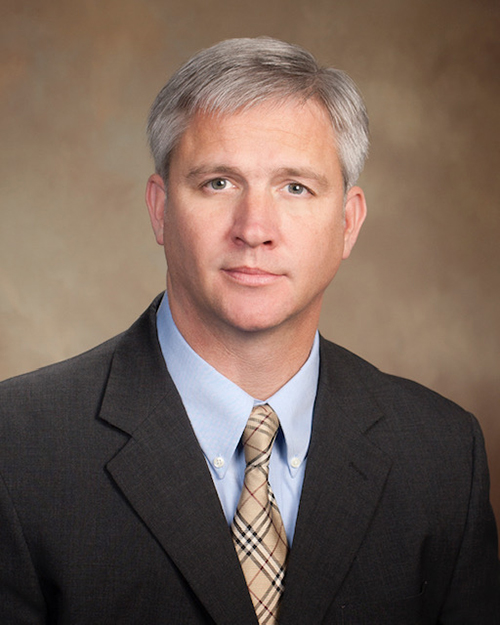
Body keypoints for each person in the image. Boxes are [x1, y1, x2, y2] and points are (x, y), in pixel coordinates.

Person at [0, 37, 498, 625]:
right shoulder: (19, 446)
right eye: (218, 183)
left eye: (295, 187)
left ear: (348, 222)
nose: (255, 229)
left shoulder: (442, 454)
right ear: (160, 210)